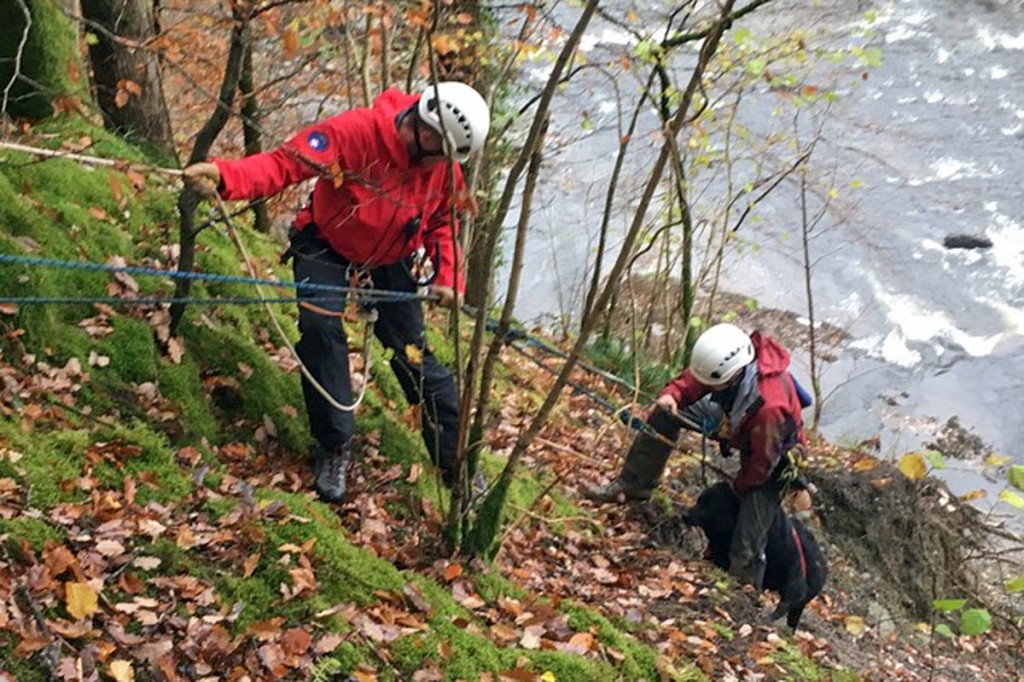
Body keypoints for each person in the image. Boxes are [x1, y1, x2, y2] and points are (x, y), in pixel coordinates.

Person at [182, 82, 490, 503]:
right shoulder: (356, 131)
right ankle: (334, 445)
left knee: (413, 354)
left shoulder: (441, 171)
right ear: (428, 133)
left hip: (390, 259)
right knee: (320, 329)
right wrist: (225, 177)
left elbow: (444, 222)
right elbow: (287, 163)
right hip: (325, 241)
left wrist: (449, 278)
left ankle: (456, 464)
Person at [584, 323, 808, 587]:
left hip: (774, 455)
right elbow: (696, 379)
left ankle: (742, 590)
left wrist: (739, 489)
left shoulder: (770, 407)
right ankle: (634, 485)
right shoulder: (731, 357)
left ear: (733, 377)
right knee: (665, 414)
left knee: (746, 541)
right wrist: (672, 395)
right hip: (736, 418)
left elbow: (761, 466)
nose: (705, 385)